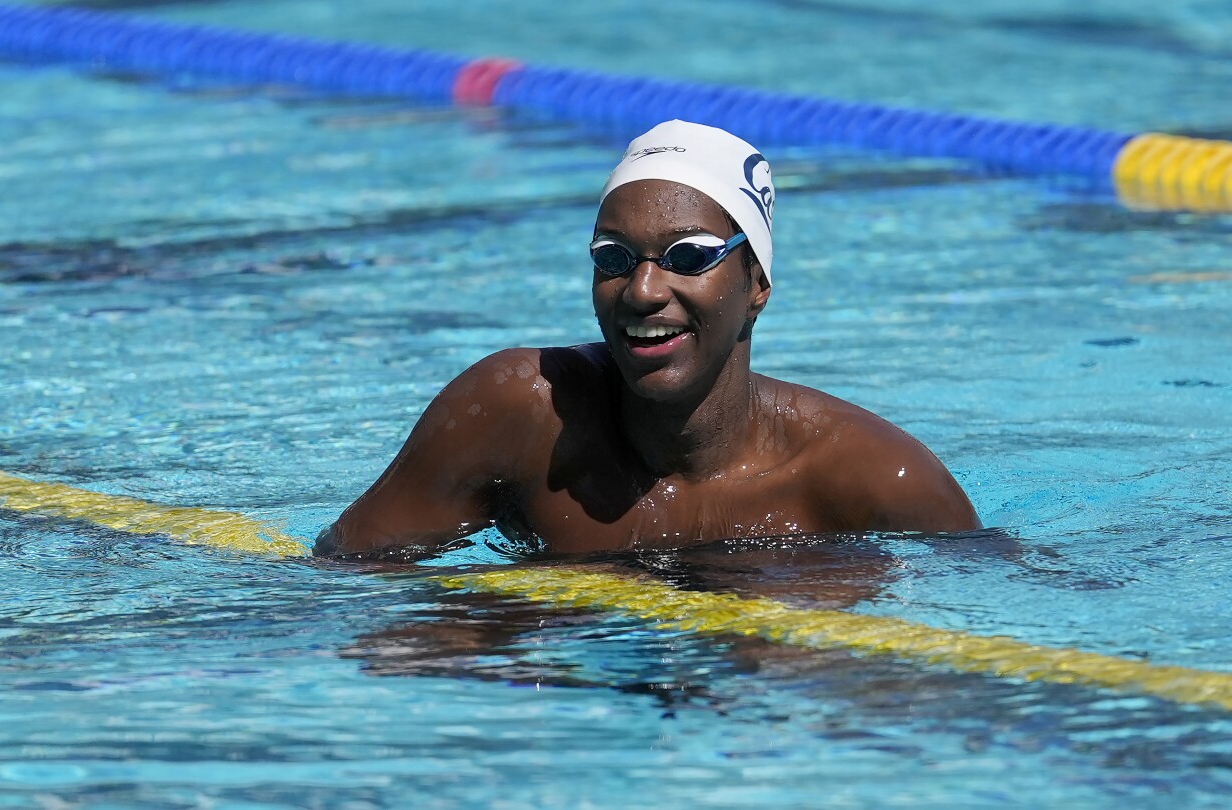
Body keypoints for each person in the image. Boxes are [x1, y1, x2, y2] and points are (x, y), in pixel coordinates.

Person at [315, 120, 979, 558]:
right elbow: (345, 590)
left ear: (757, 286)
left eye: (689, 256)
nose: (643, 289)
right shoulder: (517, 412)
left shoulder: (872, 479)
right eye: (614, 256)